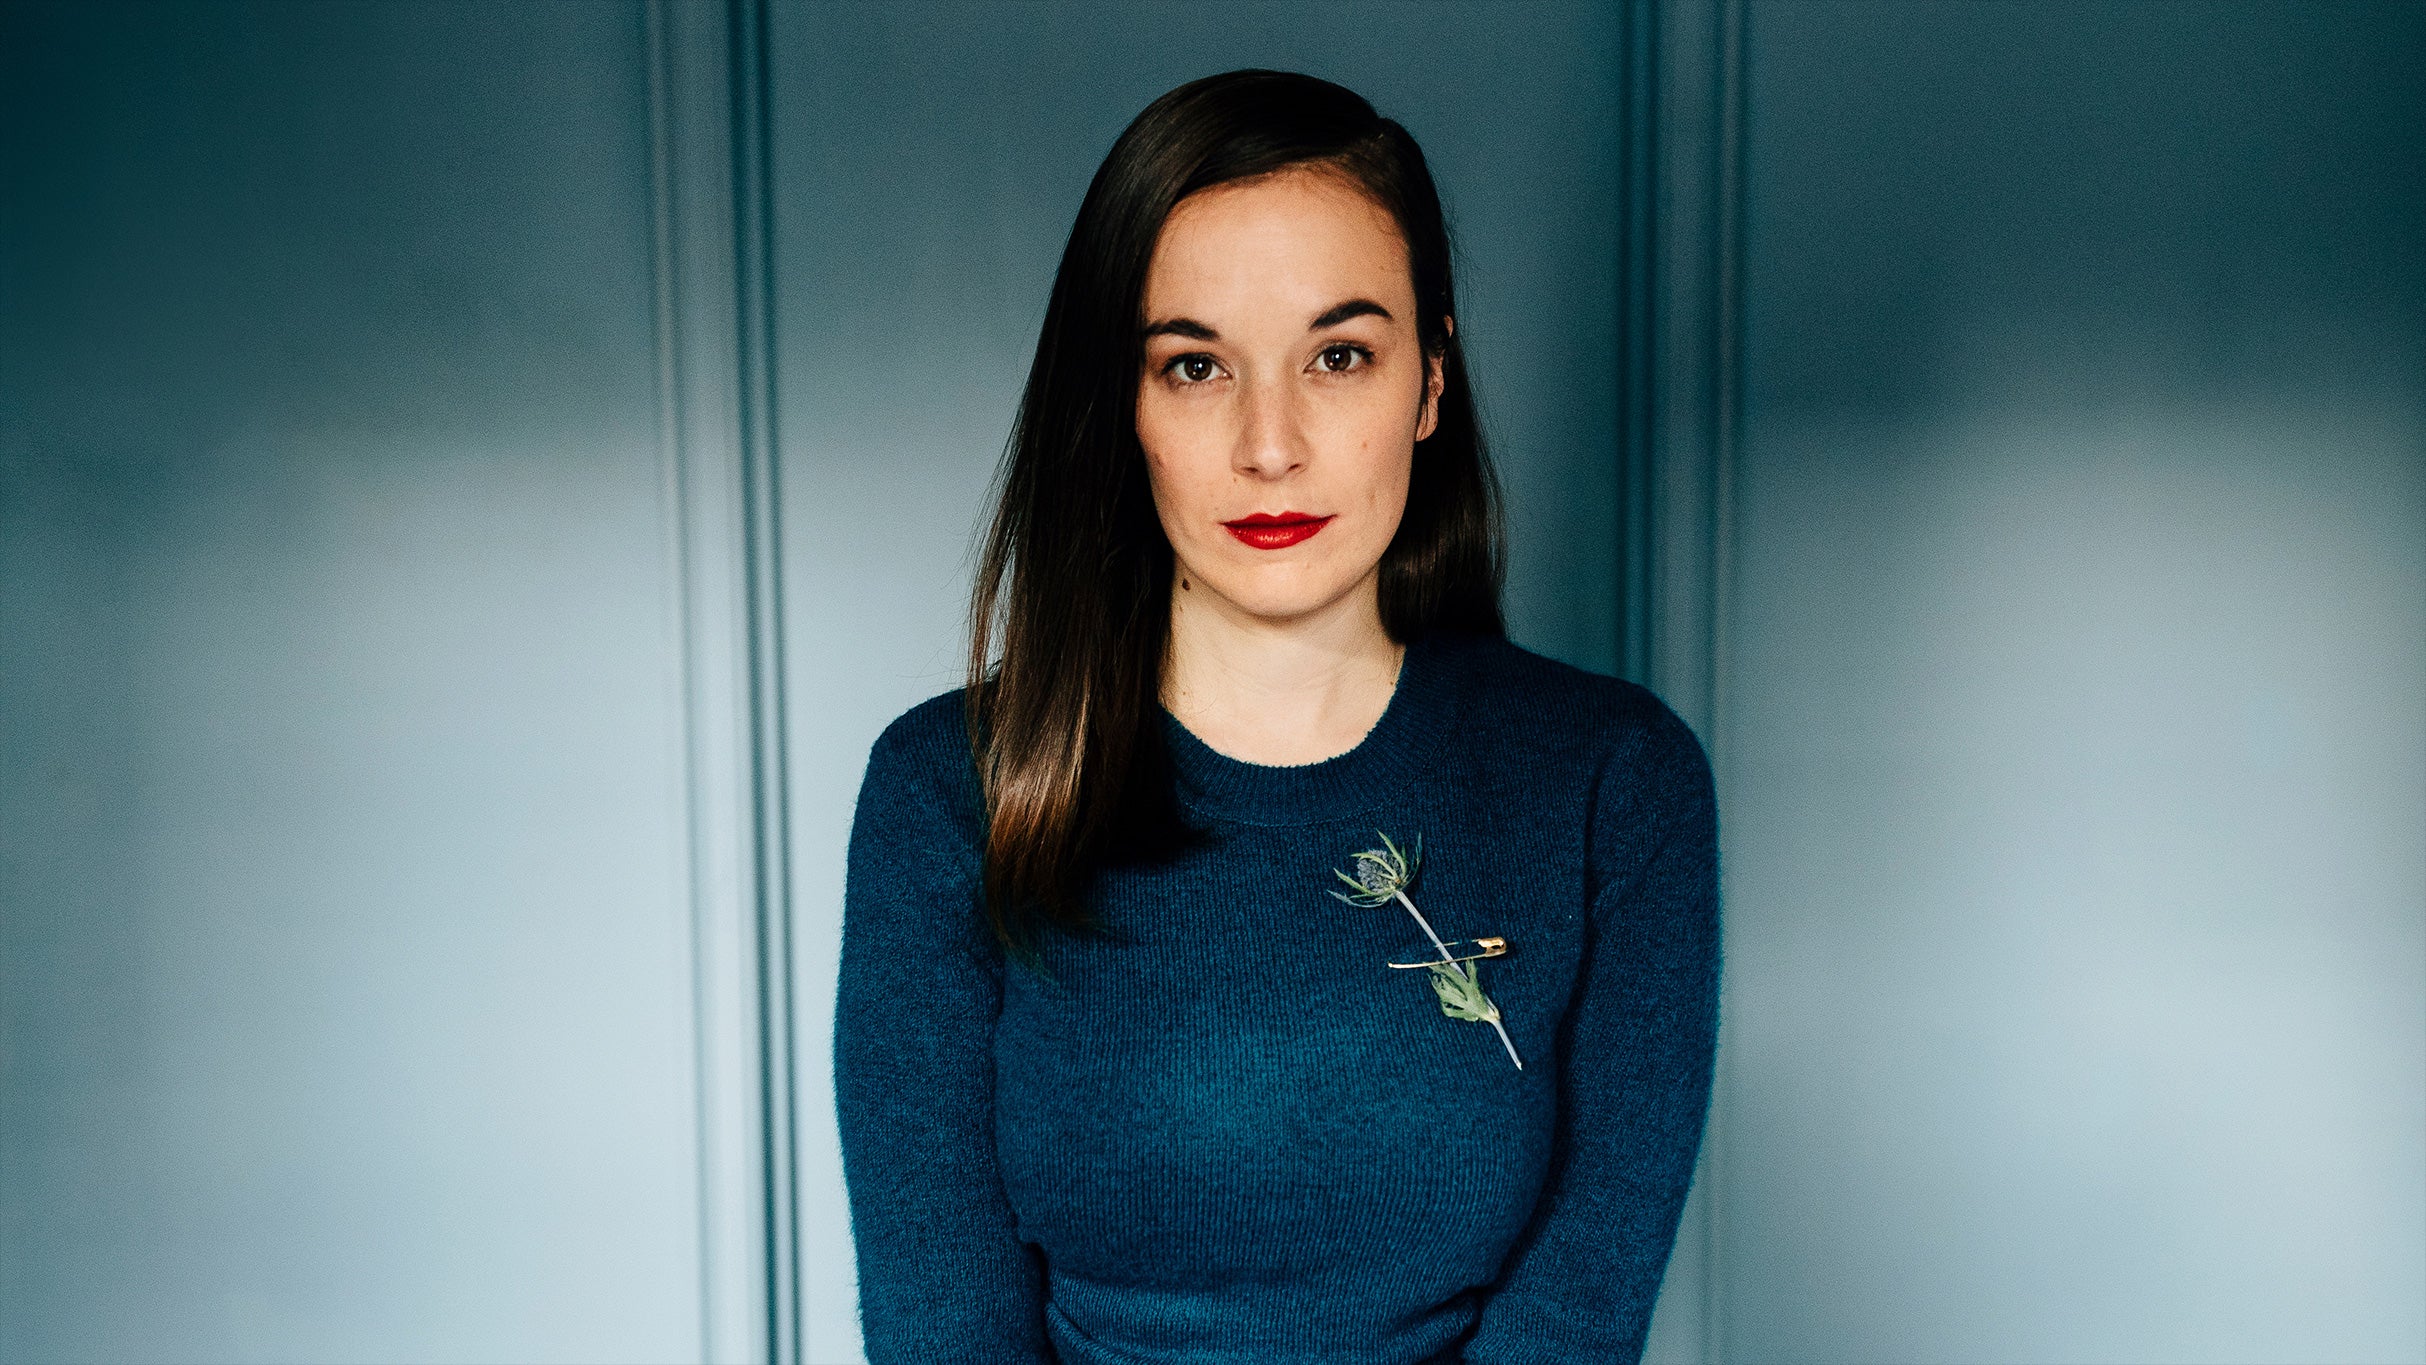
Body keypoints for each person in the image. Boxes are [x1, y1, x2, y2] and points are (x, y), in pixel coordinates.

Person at [833, 68, 1718, 1365]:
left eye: (1338, 356)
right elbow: (944, 1326)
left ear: (1428, 384)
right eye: (1196, 366)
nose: (1269, 443)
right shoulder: (948, 790)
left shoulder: (1613, 783)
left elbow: (1578, 1313)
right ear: (1122, 405)